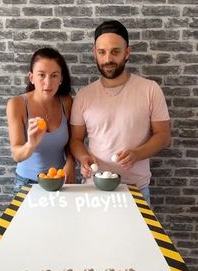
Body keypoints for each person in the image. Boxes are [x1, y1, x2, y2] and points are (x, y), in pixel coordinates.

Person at [70, 20, 171, 203]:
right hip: (93, 189)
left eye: (115, 52)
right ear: (95, 53)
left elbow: (163, 136)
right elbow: (75, 139)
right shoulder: (84, 95)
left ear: (127, 52)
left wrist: (137, 153)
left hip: (136, 191)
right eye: (102, 52)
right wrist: (83, 157)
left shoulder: (150, 89)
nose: (108, 59)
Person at [7, 47, 75, 193]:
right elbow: (16, 154)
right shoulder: (17, 104)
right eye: (41, 75)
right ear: (31, 77)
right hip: (26, 183)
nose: (48, 82)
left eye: (54, 75)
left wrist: (70, 162)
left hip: (60, 180)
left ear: (61, 78)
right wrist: (30, 144)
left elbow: (71, 142)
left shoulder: (67, 102)